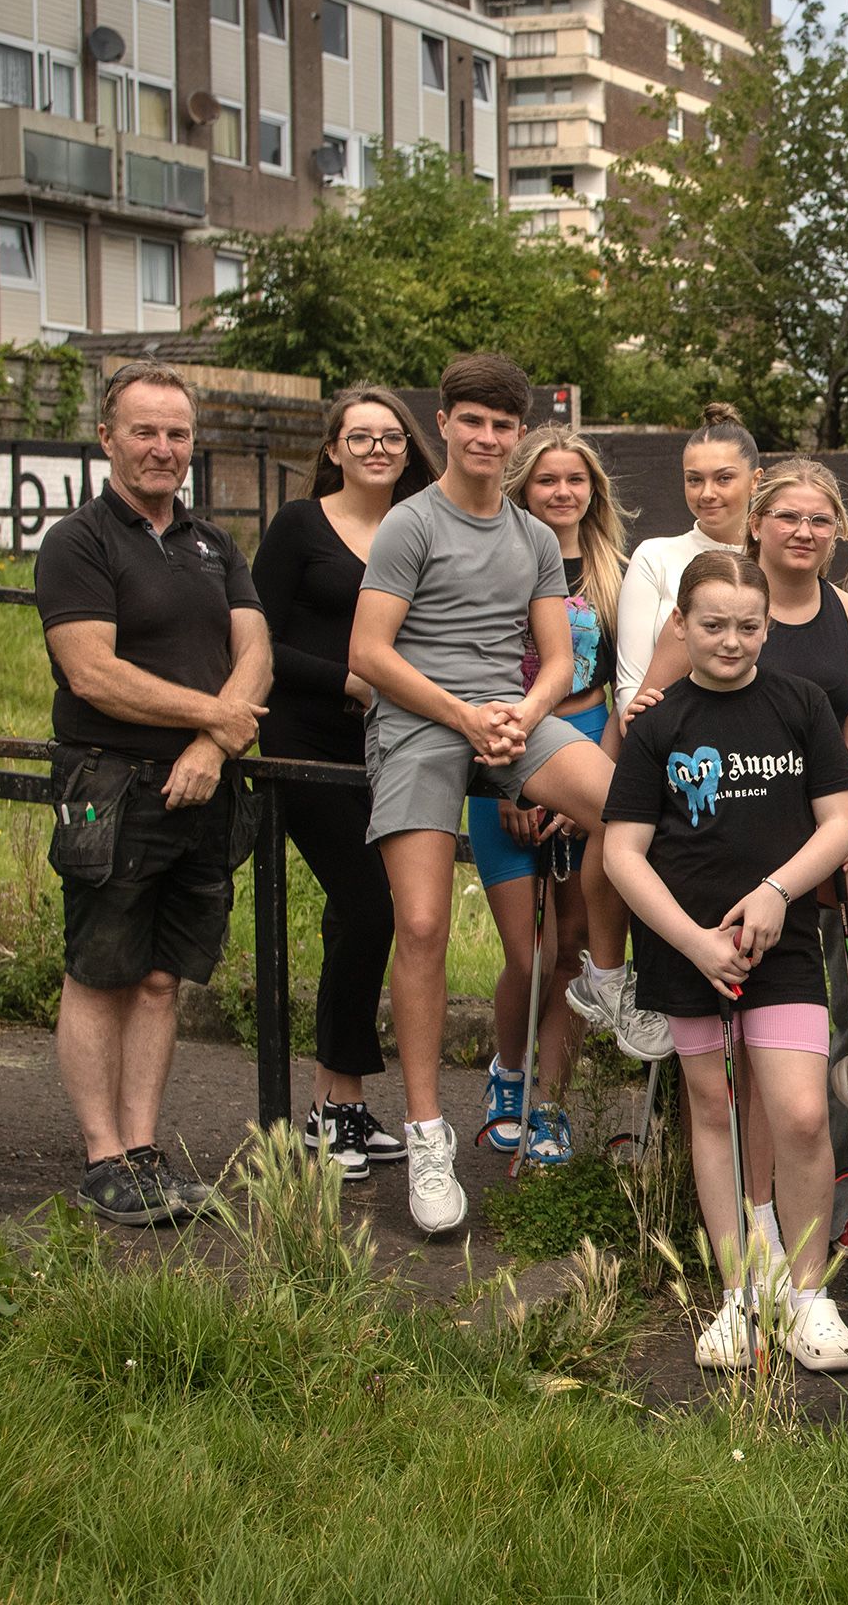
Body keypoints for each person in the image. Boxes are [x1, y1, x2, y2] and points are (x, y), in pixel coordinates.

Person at [628, 460, 848, 1248]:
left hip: (823, 818)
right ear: (757, 524)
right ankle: (756, 1219)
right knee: (744, 1069)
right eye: (788, 518)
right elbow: (657, 712)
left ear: (836, 532)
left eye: (817, 521)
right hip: (727, 834)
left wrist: (841, 818)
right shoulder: (718, 610)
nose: (803, 533)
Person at [349, 352, 633, 1236]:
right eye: (472, 421)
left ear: (516, 435)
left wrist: (522, 712)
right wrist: (467, 719)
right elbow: (369, 654)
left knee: (629, 811)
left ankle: (612, 981)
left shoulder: (534, 538)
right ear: (445, 424)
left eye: (502, 425)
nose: (486, 437)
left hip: (510, 717)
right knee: (425, 924)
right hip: (419, 719)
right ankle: (428, 1134)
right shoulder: (410, 523)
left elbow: (556, 659)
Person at [601, 551, 848, 1371]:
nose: (731, 641)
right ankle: (740, 1299)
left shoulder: (801, 706)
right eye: (712, 625)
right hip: (688, 950)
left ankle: (809, 1297)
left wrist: (779, 892)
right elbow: (622, 853)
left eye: (749, 626)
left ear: (767, 626)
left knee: (800, 1114)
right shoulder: (656, 727)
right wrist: (692, 940)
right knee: (713, 1113)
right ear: (679, 624)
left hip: (778, 943)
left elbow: (841, 822)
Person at [35, 360, 271, 1226]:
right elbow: (92, 671)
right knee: (101, 971)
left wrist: (213, 742)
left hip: (204, 788)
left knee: (165, 980)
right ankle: (102, 1156)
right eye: (144, 431)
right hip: (111, 784)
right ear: (107, 437)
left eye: (176, 433)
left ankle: (142, 1148)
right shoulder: (80, 542)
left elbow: (258, 651)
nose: (162, 448)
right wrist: (218, 715)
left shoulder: (214, 542)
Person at [252, 384, 434, 1178]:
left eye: (391, 438)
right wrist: (350, 682)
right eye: (359, 437)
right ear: (332, 451)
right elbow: (256, 637)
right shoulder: (300, 527)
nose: (376, 450)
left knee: (357, 916)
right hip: (306, 741)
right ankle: (336, 1108)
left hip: (391, 747)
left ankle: (340, 1108)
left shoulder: (422, 528)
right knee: (370, 904)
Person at [467, 426, 631, 1165]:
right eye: (547, 481)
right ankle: (507, 1074)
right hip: (505, 747)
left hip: (594, 746)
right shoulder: (495, 559)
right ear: (522, 488)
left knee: (569, 952)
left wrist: (591, 768)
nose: (563, 493)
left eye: (576, 481)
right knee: (526, 954)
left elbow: (626, 690)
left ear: (592, 491)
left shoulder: (615, 573)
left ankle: (551, 1106)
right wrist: (508, 776)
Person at [614, 402, 758, 709]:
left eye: (723, 479)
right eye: (694, 479)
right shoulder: (654, 557)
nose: (707, 493)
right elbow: (630, 688)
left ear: (755, 480)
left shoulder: (774, 563)